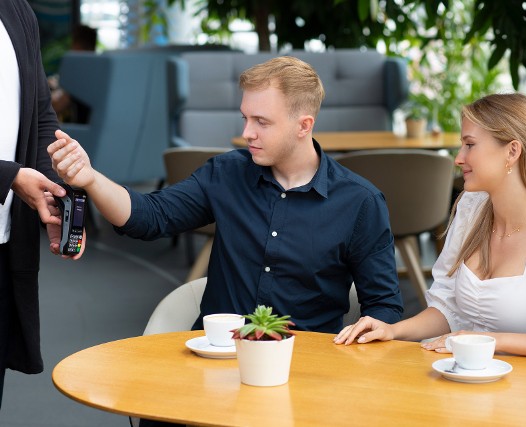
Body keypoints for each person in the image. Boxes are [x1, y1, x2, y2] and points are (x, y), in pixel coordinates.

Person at [49, 56, 403, 333]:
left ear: (303, 125)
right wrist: (91, 178)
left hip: (304, 367)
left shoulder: (360, 203)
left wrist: (373, 331)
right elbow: (148, 217)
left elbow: (384, 305)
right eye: (245, 117)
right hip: (215, 356)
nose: (246, 132)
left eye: (262, 121)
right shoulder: (227, 173)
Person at [335, 93, 526, 362]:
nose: (459, 158)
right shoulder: (472, 209)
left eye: (470, 145)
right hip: (469, 381)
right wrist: (392, 330)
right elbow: (449, 308)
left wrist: (489, 340)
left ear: (512, 151)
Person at [0, 0, 84, 410]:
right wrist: (10, 177)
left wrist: (48, 191)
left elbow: (39, 117)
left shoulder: (16, 11)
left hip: (3, 243)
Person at [49, 24, 97, 123]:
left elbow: (57, 107)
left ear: (77, 45)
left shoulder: (81, 74)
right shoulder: (97, 71)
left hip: (79, 131)